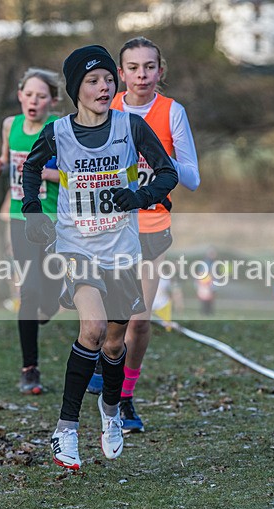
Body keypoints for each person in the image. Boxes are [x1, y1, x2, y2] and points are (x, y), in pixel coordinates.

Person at [21, 45, 178, 470]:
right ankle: (66, 429)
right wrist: (32, 210)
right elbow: (31, 169)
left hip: (122, 249)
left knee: (113, 341)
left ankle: (110, 411)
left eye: (109, 79)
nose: (104, 87)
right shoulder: (58, 132)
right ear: (76, 89)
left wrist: (140, 196)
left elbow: (168, 173)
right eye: (93, 81)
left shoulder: (131, 126)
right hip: (77, 246)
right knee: (91, 328)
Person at [85, 37, 201, 434]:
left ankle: (125, 396)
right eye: (133, 68)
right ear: (120, 73)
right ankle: (101, 371)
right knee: (103, 318)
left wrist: (159, 158)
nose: (142, 75)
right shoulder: (106, 107)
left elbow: (193, 178)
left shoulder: (172, 112)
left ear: (160, 71)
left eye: (149, 67)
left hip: (152, 226)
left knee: (137, 321)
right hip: (108, 227)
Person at [0, 68, 63, 394]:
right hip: (21, 216)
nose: (34, 101)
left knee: (50, 294)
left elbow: (75, 174)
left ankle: (50, 306)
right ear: (20, 95)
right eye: (29, 94)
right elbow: (5, 160)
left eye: (41, 96)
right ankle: (29, 369)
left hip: (55, 219)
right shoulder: (10, 125)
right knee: (28, 290)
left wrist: (44, 172)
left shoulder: (60, 129)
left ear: (53, 101)